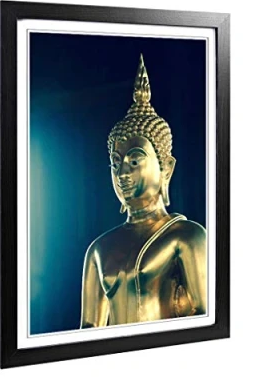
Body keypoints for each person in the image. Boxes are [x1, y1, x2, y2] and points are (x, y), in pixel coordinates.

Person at [80, 54, 207, 328]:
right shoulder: (99, 249)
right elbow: (88, 330)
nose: (122, 173)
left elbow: (205, 318)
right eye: (116, 163)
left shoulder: (187, 237)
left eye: (135, 161)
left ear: (166, 168)